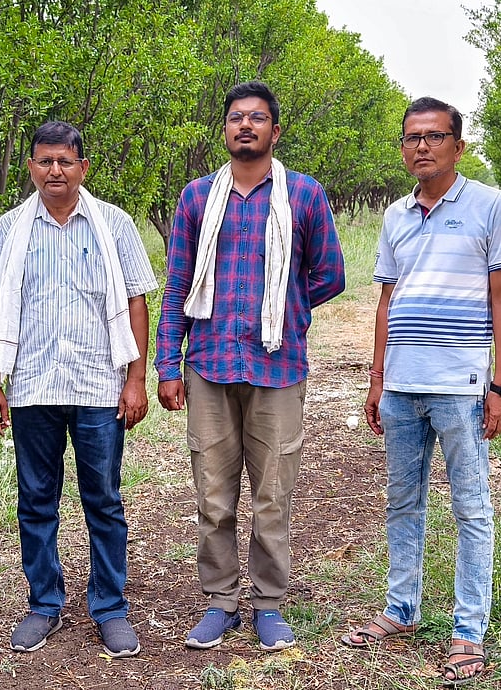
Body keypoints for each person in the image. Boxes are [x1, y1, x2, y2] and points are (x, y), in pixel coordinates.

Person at [155, 81, 346, 652]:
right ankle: (220, 601)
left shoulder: (304, 196)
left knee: (273, 491)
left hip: (278, 365)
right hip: (209, 365)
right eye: (236, 118)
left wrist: (282, 310)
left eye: (257, 119)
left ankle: (266, 603)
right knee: (213, 495)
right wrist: (168, 363)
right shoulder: (196, 197)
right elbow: (178, 284)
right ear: (225, 130)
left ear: (274, 131)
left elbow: (329, 273)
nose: (246, 126)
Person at [343, 96, 501, 686]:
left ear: (457, 145)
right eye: (412, 137)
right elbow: (387, 301)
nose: (422, 146)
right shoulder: (394, 216)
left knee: (470, 508)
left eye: (434, 136)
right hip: (401, 386)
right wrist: (376, 379)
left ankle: (469, 632)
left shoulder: (490, 206)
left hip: (463, 388)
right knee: (402, 503)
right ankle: (402, 611)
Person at [0, 121, 157, 659]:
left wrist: (136, 376)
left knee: (103, 498)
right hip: (31, 385)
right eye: (44, 161)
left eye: (65, 161)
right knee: (36, 500)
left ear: (83, 167)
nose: (55, 170)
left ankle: (110, 607)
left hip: (99, 385)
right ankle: (44, 603)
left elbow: (136, 301)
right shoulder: (9, 230)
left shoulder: (113, 225)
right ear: (30, 167)